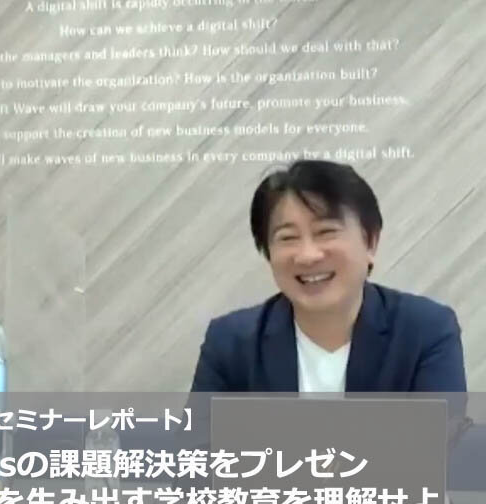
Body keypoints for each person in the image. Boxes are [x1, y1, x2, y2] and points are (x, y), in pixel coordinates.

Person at [191, 160, 466, 393]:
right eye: (288, 238)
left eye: (326, 232)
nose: (308, 255)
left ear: (370, 242)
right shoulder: (231, 343)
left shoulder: (425, 331)